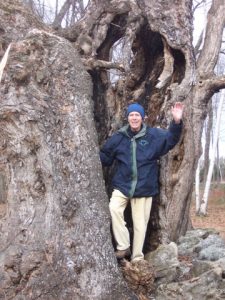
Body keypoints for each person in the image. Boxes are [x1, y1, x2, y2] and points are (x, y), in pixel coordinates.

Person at [100, 102, 184, 261]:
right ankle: (123, 246)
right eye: (131, 115)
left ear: (143, 117)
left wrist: (177, 122)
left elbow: (171, 139)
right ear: (127, 118)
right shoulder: (119, 137)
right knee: (114, 208)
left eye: (137, 115)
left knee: (140, 226)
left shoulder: (153, 136)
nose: (134, 118)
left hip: (144, 187)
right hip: (122, 186)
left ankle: (137, 259)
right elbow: (105, 156)